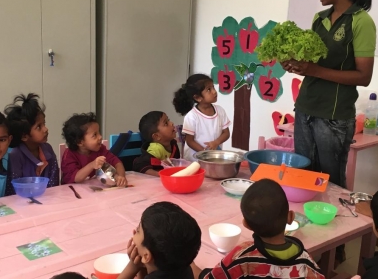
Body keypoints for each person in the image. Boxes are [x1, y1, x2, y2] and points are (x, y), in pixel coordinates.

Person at [282, 0, 376, 266]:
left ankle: (332, 256)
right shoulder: (320, 18)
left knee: (330, 184)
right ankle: (307, 249)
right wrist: (297, 66)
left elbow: (363, 76)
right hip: (306, 107)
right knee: (303, 178)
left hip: (334, 115)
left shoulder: (361, 22)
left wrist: (314, 69)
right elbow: (313, 66)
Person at [192, 179, 325, 279]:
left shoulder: (242, 257)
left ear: (246, 224)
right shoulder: (305, 259)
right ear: (290, 217)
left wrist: (191, 266)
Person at [118, 201, 201, 279]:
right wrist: (142, 262)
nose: (134, 232)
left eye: (138, 230)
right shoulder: (184, 268)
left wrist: (133, 265)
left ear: (147, 256)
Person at [5, 93, 59, 195]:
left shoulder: (48, 149)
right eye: (39, 127)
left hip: (48, 199)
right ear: (24, 136)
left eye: (44, 124)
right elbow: (14, 188)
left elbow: (54, 181)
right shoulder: (15, 155)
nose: (45, 129)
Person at [173, 74, 230, 161]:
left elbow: (226, 133)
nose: (214, 92)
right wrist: (204, 153)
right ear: (198, 97)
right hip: (193, 160)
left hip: (213, 158)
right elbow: (190, 141)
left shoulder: (220, 111)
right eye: (209, 89)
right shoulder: (192, 116)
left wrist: (216, 142)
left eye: (213, 87)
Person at [61, 112, 127, 186]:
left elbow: (117, 162)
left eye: (99, 132)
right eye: (95, 135)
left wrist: (121, 176)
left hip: (91, 189)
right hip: (71, 192)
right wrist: (92, 165)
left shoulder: (100, 149)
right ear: (80, 142)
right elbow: (76, 178)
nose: (100, 137)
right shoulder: (69, 155)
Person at [133, 111, 180, 176]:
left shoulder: (173, 144)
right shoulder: (156, 148)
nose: (171, 123)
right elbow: (139, 165)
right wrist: (159, 174)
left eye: (168, 120)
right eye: (166, 123)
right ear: (157, 136)